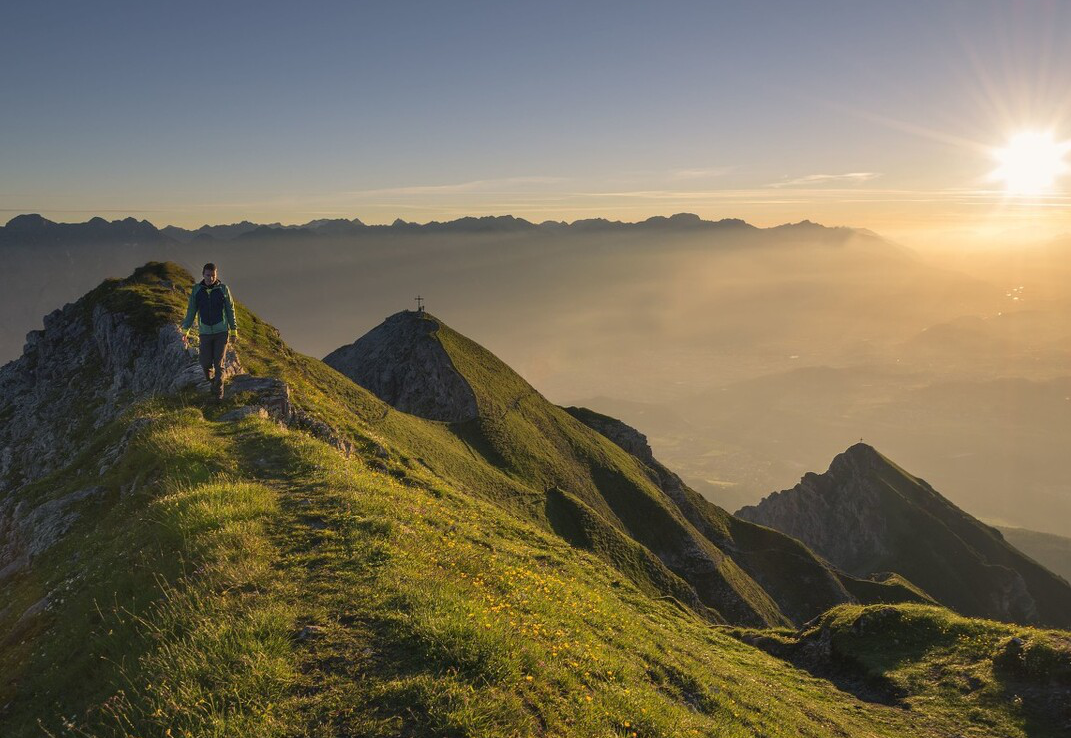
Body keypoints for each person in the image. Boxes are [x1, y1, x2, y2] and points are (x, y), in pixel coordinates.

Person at [181, 263, 238, 400]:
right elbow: (191, 311)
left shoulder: (223, 289)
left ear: (216, 275)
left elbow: (230, 310)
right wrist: (185, 330)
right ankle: (213, 381)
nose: (211, 278)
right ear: (203, 274)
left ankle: (218, 396)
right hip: (205, 333)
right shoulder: (197, 290)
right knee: (205, 363)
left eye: (213, 275)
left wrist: (233, 331)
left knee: (219, 364)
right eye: (208, 275)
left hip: (221, 332)